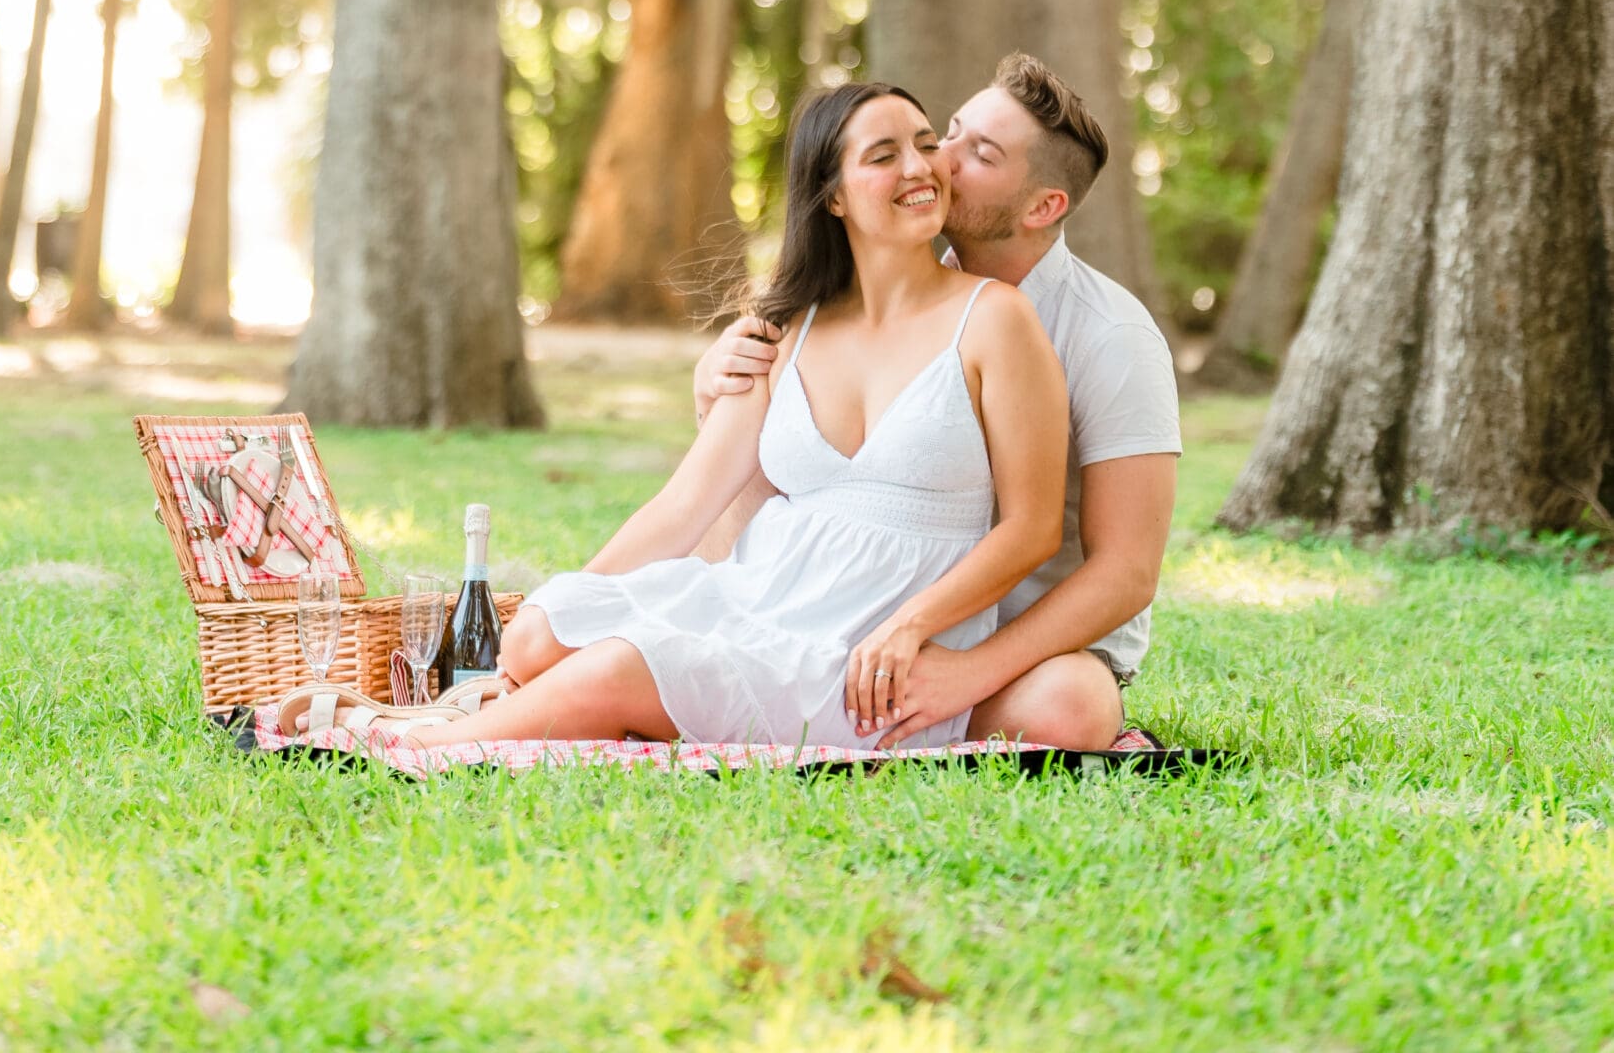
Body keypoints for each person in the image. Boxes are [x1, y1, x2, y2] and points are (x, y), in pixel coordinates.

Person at [275, 80, 1067, 756]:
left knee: (622, 665)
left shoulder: (994, 321)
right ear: (831, 195)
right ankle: (508, 705)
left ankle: (413, 740)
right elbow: (685, 506)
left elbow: (1029, 528)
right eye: (882, 154)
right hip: (766, 599)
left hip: (870, 647)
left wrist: (910, 627)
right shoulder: (785, 333)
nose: (919, 168)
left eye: (924, 144)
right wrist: (573, 590)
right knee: (537, 633)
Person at [694, 54, 1180, 751]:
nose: (935, 160)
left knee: (1069, 707)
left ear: (1044, 206)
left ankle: (872, 710)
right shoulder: (889, 291)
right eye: (948, 132)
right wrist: (717, 397)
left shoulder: (1110, 337)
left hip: (1018, 647)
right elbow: (782, 487)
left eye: (978, 153)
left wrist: (970, 673)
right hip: (853, 611)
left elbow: (1126, 572)